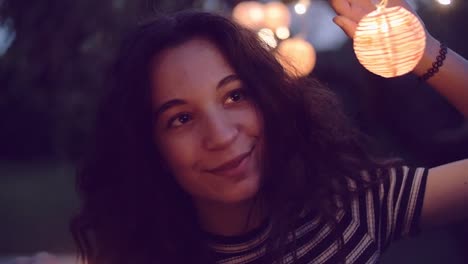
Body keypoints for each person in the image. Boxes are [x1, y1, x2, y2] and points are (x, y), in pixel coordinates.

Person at [69, 0, 468, 263]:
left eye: (235, 96)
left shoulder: (353, 208)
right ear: (150, 145)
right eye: (181, 119)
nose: (222, 135)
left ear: (269, 99)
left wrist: (423, 53)